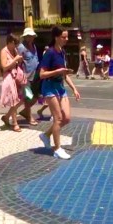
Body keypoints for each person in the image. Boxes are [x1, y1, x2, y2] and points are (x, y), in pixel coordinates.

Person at [38, 26, 80, 160]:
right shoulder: (49, 53)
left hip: (60, 87)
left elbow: (64, 74)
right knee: (58, 119)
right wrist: (57, 71)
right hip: (49, 87)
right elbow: (42, 74)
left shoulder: (62, 51)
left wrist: (74, 89)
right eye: (64, 37)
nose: (66, 39)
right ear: (56, 37)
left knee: (66, 118)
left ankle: (46, 135)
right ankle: (57, 149)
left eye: (67, 37)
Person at [0, 34, 24, 132]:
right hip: (8, 77)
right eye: (15, 44)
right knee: (14, 100)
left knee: (22, 98)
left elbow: (17, 63)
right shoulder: (4, 51)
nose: (16, 46)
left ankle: (6, 117)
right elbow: (4, 67)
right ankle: (15, 123)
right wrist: (15, 60)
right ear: (10, 42)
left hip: (16, 76)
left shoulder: (15, 50)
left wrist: (19, 60)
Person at [17, 27, 40, 126]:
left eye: (32, 36)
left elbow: (36, 58)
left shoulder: (34, 46)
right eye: (29, 36)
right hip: (26, 77)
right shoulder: (21, 47)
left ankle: (25, 112)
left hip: (35, 75)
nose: (31, 38)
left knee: (36, 96)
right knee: (28, 97)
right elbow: (18, 61)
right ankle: (30, 117)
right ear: (25, 37)